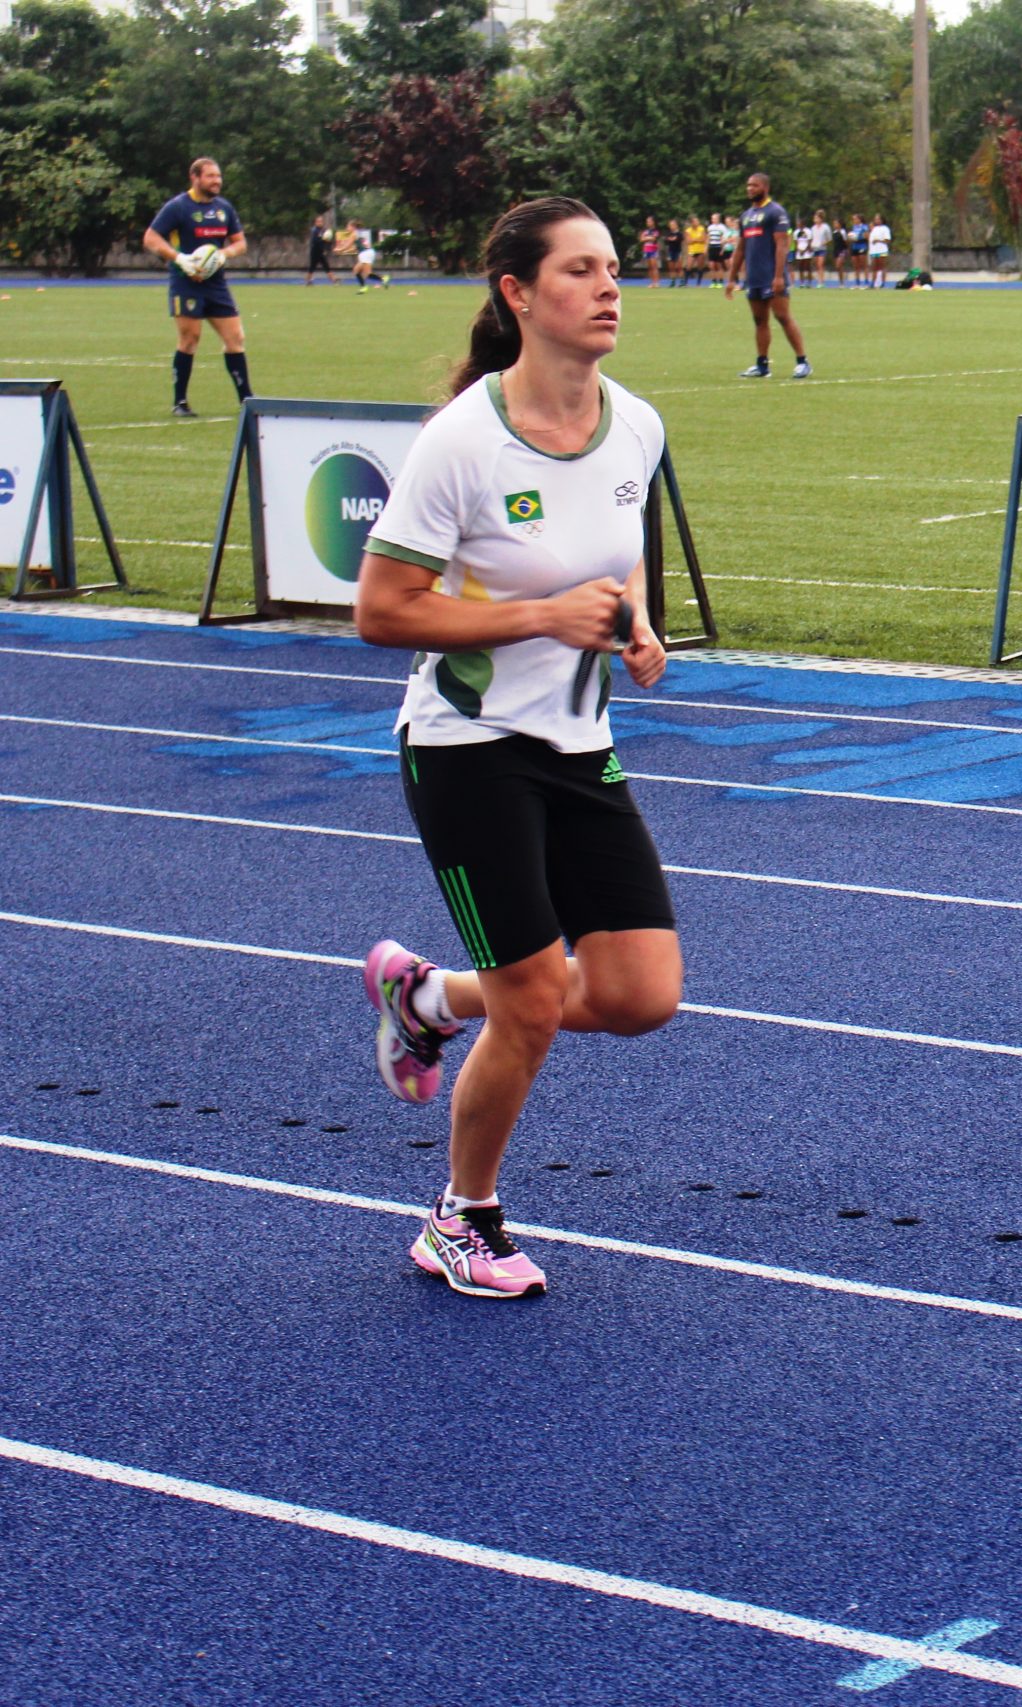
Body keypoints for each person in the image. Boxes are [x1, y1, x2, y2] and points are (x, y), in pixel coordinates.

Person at [352, 194, 681, 1301]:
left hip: (579, 743)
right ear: (518, 293)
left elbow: (619, 554)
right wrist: (541, 618)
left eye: (613, 268)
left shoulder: (635, 422)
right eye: (581, 270)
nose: (608, 288)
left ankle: (431, 1000)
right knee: (535, 998)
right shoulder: (461, 442)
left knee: (641, 996)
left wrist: (635, 622)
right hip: (466, 744)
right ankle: (462, 1219)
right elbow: (384, 611)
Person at [142, 158, 251, 420]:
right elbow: (150, 238)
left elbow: (240, 243)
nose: (217, 181)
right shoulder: (178, 207)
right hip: (185, 282)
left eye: (219, 176)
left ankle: (247, 399)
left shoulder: (224, 208)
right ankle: (180, 402)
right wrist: (179, 258)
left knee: (235, 339)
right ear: (195, 178)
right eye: (211, 176)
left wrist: (224, 254)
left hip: (216, 284)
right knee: (190, 340)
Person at [726, 171, 809, 378]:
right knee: (759, 321)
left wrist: (779, 276)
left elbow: (782, 245)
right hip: (753, 277)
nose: (750, 189)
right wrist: (731, 277)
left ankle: (802, 361)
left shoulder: (776, 212)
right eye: (748, 185)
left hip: (772, 277)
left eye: (754, 185)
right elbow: (741, 249)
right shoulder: (746, 216)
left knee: (782, 317)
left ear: (765, 187)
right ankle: (762, 365)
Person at [305, 213, 336, 285]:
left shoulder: (324, 230)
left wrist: (327, 248)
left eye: (321, 221)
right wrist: (323, 239)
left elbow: (328, 241)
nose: (320, 223)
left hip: (321, 252)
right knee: (312, 267)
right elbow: (315, 241)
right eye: (318, 221)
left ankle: (334, 280)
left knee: (326, 266)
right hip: (315, 252)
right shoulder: (314, 230)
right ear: (315, 222)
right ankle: (308, 280)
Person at [867, 215, 892, 288]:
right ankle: (873, 282)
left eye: (878, 219)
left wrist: (878, 240)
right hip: (874, 251)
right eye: (875, 219)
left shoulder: (885, 228)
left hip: (882, 250)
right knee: (874, 267)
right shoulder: (874, 229)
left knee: (882, 266)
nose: (876, 221)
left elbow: (887, 240)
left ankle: (882, 282)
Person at [841, 215, 868, 287]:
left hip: (862, 246)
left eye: (855, 219)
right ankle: (857, 283)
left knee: (863, 265)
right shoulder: (854, 227)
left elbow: (866, 237)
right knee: (856, 266)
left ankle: (866, 282)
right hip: (854, 247)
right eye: (853, 219)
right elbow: (852, 237)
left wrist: (858, 238)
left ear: (859, 219)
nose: (854, 220)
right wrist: (851, 238)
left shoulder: (864, 227)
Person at [808, 211, 833, 287]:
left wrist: (823, 243)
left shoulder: (826, 227)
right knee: (817, 265)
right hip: (815, 248)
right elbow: (811, 238)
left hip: (822, 249)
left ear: (821, 219)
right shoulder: (813, 228)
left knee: (820, 264)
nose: (815, 219)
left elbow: (829, 239)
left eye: (817, 218)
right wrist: (810, 246)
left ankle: (822, 282)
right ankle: (819, 280)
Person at [639, 217, 662, 286]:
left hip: (653, 250)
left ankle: (657, 282)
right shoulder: (645, 231)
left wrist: (646, 238)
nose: (648, 223)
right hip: (646, 249)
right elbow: (641, 239)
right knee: (649, 267)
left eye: (649, 221)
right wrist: (648, 238)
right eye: (647, 222)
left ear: (653, 222)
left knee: (654, 266)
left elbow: (654, 238)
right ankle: (652, 282)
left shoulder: (655, 231)